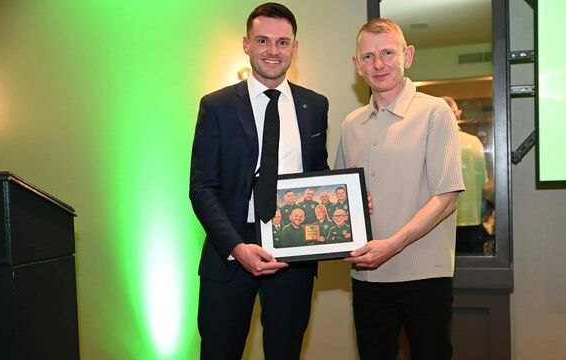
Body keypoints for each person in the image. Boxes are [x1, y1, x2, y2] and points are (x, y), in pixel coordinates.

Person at [189, 3, 329, 359]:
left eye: (283, 42)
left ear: (295, 49)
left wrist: (349, 203)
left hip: (293, 251)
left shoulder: (315, 105)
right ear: (246, 44)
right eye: (263, 40)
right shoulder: (216, 106)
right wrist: (237, 247)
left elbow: (317, 176)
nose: (272, 51)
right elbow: (202, 188)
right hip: (231, 252)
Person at [335, 18, 464, 359]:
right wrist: (348, 206)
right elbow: (339, 199)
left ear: (407, 55)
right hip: (367, 280)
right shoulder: (351, 125)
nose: (378, 64)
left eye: (388, 52)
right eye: (368, 56)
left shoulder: (435, 112)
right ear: (356, 65)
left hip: (425, 278)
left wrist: (392, 245)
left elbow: (447, 197)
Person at [442, 96, 490, 254]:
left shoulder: (434, 144)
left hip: (441, 222)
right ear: (459, 114)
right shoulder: (475, 143)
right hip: (472, 222)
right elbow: (485, 185)